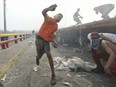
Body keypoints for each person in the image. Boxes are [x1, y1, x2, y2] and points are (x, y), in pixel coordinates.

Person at [34, 4, 63, 85]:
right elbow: (43, 12)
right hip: (39, 40)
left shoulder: (56, 26)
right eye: (59, 15)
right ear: (55, 16)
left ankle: (53, 75)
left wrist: (53, 42)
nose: (60, 17)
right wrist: (49, 8)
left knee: (49, 54)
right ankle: (37, 57)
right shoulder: (48, 18)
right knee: (40, 55)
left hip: (46, 42)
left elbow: (51, 35)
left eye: (61, 17)